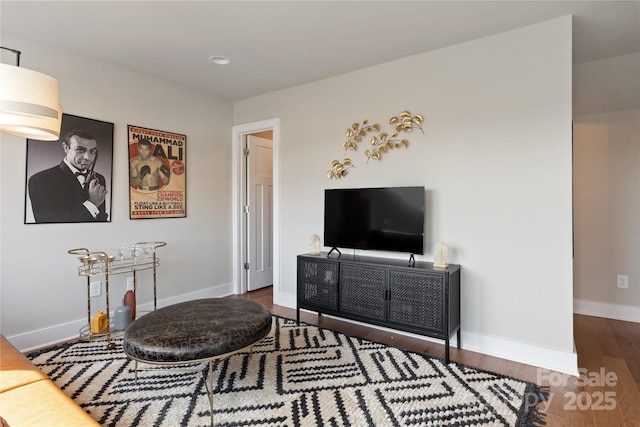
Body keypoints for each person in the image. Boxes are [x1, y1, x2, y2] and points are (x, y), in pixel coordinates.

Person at [28, 129, 109, 223]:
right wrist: (91, 205)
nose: (87, 157)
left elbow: (101, 219)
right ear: (66, 148)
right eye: (80, 150)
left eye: (92, 152)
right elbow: (48, 223)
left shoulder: (99, 179)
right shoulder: (40, 180)